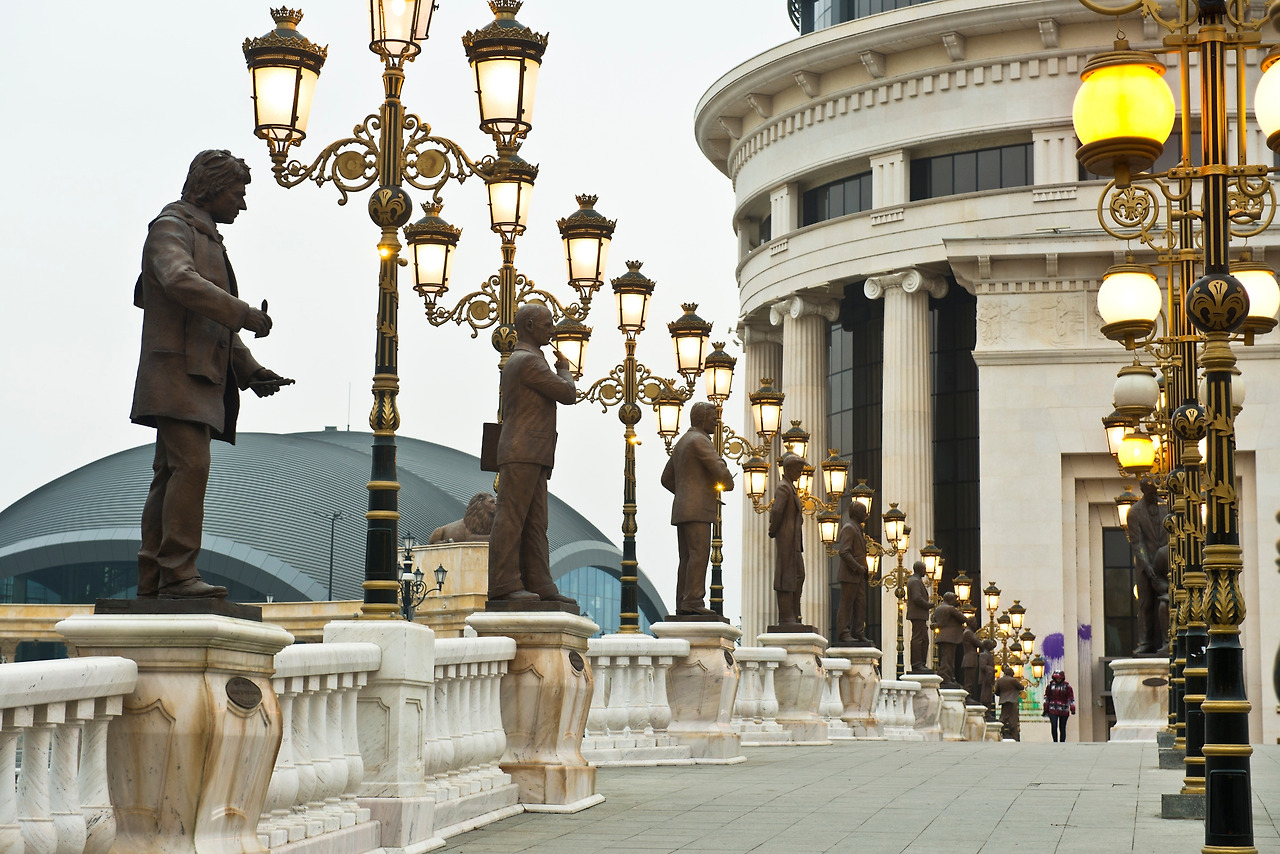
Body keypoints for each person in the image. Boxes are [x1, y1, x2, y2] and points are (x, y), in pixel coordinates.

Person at [131, 150, 291, 600]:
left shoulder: (203, 235)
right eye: (237, 193)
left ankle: (155, 576)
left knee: (171, 472)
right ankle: (178, 574)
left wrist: (250, 370)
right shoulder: (171, 227)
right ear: (213, 188)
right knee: (190, 467)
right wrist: (242, 312)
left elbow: (208, 321)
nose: (243, 204)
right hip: (176, 373)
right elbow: (179, 281)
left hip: (194, 375)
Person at [487, 303, 579, 605]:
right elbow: (567, 394)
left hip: (534, 451)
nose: (552, 330)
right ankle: (504, 584)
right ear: (529, 326)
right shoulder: (527, 361)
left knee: (536, 522)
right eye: (548, 324)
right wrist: (564, 370)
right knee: (512, 518)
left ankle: (540, 583)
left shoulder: (531, 359)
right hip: (522, 449)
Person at [661, 402, 734, 616]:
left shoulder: (683, 441)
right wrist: (722, 484)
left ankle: (683, 602)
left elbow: (666, 479)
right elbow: (719, 470)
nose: (717, 422)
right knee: (699, 554)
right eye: (713, 418)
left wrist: (685, 493)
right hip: (697, 510)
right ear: (702, 419)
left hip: (682, 509)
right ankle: (693, 601)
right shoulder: (700, 440)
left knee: (686, 557)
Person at [1126, 478, 1167, 654]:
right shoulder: (1134, 512)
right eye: (1150, 492)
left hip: (1165, 561)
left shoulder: (1167, 507)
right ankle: (1146, 641)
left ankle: (1167, 640)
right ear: (1143, 491)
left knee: (1167, 600)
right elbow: (1137, 542)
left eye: (1154, 492)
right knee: (1146, 603)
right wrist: (1147, 565)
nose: (1153, 495)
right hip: (1145, 564)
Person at [768, 454, 806, 626]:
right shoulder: (784, 487)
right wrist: (773, 530)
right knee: (786, 576)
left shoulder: (791, 487)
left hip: (793, 540)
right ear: (789, 469)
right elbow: (777, 511)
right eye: (798, 470)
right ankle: (786, 617)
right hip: (787, 538)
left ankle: (793, 614)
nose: (800, 473)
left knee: (798, 575)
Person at [835, 502, 871, 644]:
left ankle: (858, 632)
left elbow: (860, 554)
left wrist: (865, 570)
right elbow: (844, 552)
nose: (866, 515)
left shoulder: (857, 529)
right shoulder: (849, 528)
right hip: (850, 575)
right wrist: (858, 567)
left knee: (860, 604)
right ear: (856, 513)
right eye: (864, 512)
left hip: (858, 575)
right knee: (847, 604)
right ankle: (843, 632)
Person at [930, 592, 968, 685]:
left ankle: (949, 676)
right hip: (950, 636)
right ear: (950, 599)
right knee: (948, 659)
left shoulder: (938, 608)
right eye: (955, 599)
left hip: (942, 636)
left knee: (946, 657)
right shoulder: (950, 609)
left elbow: (934, 620)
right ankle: (945, 677)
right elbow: (963, 619)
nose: (956, 601)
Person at [428, 492, 496, 544]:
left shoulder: (488, 520)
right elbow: (470, 538)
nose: (495, 504)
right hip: (446, 537)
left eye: (495, 502)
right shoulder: (471, 522)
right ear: (480, 501)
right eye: (491, 502)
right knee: (439, 531)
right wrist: (492, 538)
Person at [905, 560, 931, 672]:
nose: (925, 571)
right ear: (920, 569)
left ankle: (921, 663)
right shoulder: (915, 581)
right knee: (918, 639)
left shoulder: (916, 580)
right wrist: (928, 605)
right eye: (924, 569)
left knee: (924, 640)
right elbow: (917, 598)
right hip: (918, 615)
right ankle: (917, 664)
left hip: (920, 615)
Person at [1043, 669, 1076, 742]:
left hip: (1063, 709)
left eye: (1059, 678)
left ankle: (1062, 741)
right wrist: (1045, 706)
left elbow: (1071, 697)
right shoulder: (1050, 685)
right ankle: (1055, 741)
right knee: (1054, 725)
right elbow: (1046, 696)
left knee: (1062, 727)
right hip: (1052, 708)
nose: (1058, 679)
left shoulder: (1067, 686)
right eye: (1056, 678)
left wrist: (1072, 707)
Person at [995, 669, 1024, 741]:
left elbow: (996, 692)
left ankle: (999, 733)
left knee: (1003, 717)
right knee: (1013, 720)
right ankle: (1015, 737)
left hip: (1004, 702)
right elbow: (1021, 687)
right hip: (1012, 701)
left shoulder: (1000, 680)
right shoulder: (1013, 680)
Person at [961, 616, 981, 699]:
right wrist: (987, 643)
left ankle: (969, 695)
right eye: (975, 622)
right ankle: (967, 696)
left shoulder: (968, 632)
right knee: (969, 681)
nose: (976, 624)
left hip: (970, 659)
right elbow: (978, 643)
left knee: (970, 680)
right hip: (970, 659)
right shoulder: (968, 633)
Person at [978, 639, 997, 719]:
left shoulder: (989, 655)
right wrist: (992, 670)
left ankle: (988, 712)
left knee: (989, 696)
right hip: (985, 678)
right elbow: (982, 666)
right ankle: (984, 711)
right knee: (985, 696)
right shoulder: (984, 655)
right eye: (990, 644)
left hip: (989, 678)